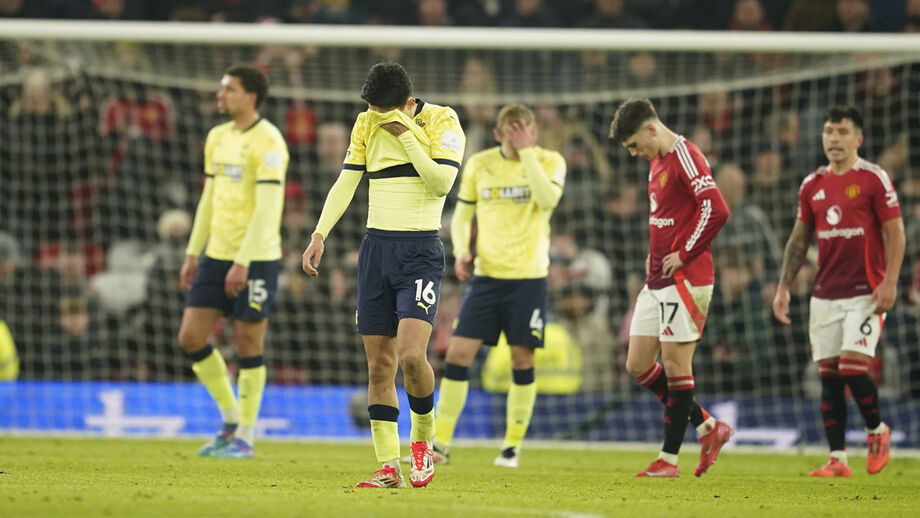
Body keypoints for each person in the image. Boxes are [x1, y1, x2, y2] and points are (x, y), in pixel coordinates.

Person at [301, 62, 465, 489]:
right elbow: (346, 181)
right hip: (375, 251)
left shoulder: (443, 120)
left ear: (409, 104)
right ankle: (388, 466)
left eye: (384, 112)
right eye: (372, 111)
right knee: (379, 366)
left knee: (413, 356)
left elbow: (440, 183)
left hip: (420, 251)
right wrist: (319, 233)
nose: (376, 118)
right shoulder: (365, 122)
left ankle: (423, 445)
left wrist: (406, 134)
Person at [431, 104, 565, 468]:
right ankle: (440, 444)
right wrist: (461, 251)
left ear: (534, 133)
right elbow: (462, 214)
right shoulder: (480, 164)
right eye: (511, 132)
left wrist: (526, 155)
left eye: (524, 131)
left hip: (528, 278)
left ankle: (511, 447)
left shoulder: (550, 161)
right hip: (486, 278)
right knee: (458, 354)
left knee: (522, 359)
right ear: (497, 133)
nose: (517, 137)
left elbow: (548, 200)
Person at [772, 106, 903, 477]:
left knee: (852, 366)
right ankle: (838, 458)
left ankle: (877, 431)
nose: (834, 138)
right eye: (829, 131)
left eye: (843, 132)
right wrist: (783, 287)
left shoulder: (874, 179)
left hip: (866, 292)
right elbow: (799, 241)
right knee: (828, 376)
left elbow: (896, 233)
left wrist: (890, 280)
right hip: (824, 294)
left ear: (857, 139)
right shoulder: (812, 185)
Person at [609, 98, 732, 478]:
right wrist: (655, 254)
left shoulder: (685, 154)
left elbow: (716, 207)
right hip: (657, 278)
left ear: (650, 128)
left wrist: (685, 252)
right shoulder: (656, 162)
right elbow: (668, 217)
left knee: (678, 367)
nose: (633, 154)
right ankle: (709, 427)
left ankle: (669, 460)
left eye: (633, 145)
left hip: (687, 278)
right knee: (638, 364)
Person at [178, 65, 289, 459]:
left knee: (247, 342)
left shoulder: (270, 142)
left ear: (250, 96)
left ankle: (246, 434)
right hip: (216, 254)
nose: (220, 94)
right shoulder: (217, 137)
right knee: (191, 337)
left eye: (229, 89)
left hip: (256, 257)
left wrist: (242, 261)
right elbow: (209, 198)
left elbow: (268, 208)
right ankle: (230, 418)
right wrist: (194, 251)